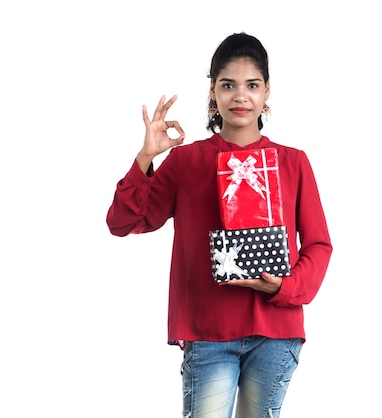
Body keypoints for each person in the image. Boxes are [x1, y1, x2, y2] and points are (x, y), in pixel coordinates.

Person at [106, 32, 332, 418]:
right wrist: (147, 155)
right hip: (207, 331)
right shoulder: (185, 162)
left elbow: (318, 245)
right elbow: (124, 222)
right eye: (228, 85)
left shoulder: (293, 162)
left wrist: (287, 286)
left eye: (252, 85)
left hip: (274, 329)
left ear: (267, 92)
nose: (240, 96)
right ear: (212, 91)